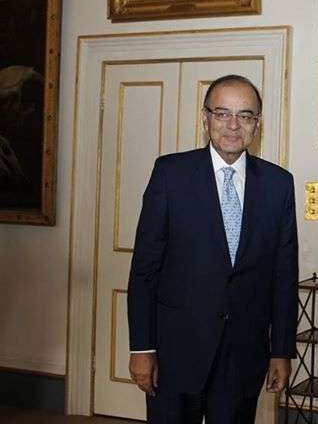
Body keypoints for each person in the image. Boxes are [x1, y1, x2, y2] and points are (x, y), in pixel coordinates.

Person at [127, 74, 298, 424]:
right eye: (222, 114)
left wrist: (280, 350)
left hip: (243, 356)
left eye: (245, 115)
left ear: (257, 124)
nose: (233, 125)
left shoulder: (279, 184)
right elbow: (145, 270)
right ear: (205, 118)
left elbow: (284, 275)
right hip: (176, 354)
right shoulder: (170, 174)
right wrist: (142, 348)